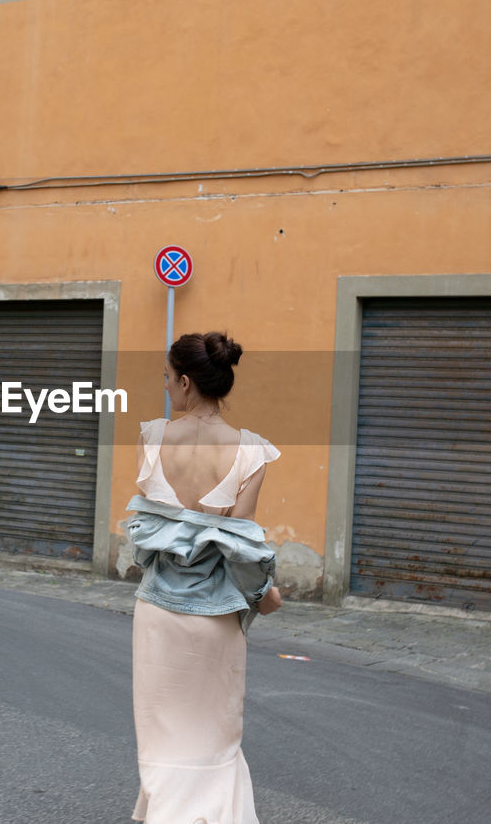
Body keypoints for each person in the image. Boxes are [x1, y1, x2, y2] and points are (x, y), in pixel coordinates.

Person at [127, 331, 282, 824]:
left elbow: (144, 537)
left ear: (187, 382)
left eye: (169, 380)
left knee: (163, 742)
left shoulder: (151, 437)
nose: (167, 388)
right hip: (216, 621)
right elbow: (242, 547)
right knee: (214, 742)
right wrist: (265, 594)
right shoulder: (252, 452)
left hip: (157, 616)